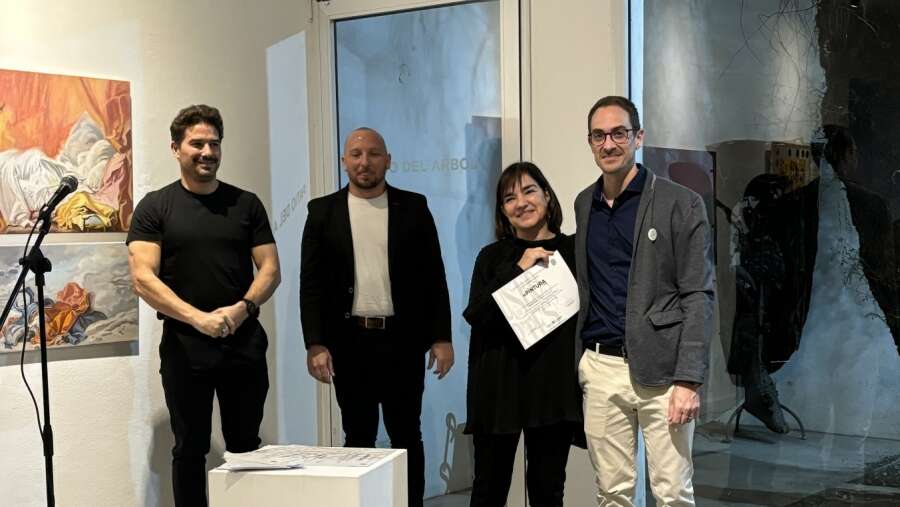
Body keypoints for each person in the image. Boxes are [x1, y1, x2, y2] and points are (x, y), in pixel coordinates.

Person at [127, 105, 281, 507]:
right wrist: (198, 319)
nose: (207, 152)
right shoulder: (155, 207)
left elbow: (270, 269)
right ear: (175, 148)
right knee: (190, 448)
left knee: (246, 449)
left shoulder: (246, 204)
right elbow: (143, 278)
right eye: (197, 143)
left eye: (214, 143)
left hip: (243, 342)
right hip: (185, 346)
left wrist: (241, 309)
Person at [299, 127, 454, 507]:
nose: (364, 162)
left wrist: (441, 337)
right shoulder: (322, 212)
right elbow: (311, 284)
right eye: (356, 154)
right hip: (348, 342)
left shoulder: (413, 207)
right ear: (344, 161)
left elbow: (434, 276)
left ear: (388, 160)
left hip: (402, 341)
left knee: (407, 435)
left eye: (373, 154)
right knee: (358, 437)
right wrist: (315, 343)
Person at [574, 96, 714, 506]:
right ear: (590, 141)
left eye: (619, 133)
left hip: (665, 373)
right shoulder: (584, 203)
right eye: (599, 135)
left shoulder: (681, 203)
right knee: (611, 493)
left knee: (672, 494)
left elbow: (698, 293)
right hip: (601, 367)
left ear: (638, 137)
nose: (609, 144)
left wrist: (688, 379)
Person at [463, 162, 582, 507]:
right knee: (488, 490)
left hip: (553, 388)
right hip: (498, 388)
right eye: (509, 198)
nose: (521, 203)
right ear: (503, 211)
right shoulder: (491, 257)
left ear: (547, 196)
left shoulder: (573, 251)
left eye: (529, 191)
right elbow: (478, 315)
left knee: (548, 491)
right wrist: (519, 268)